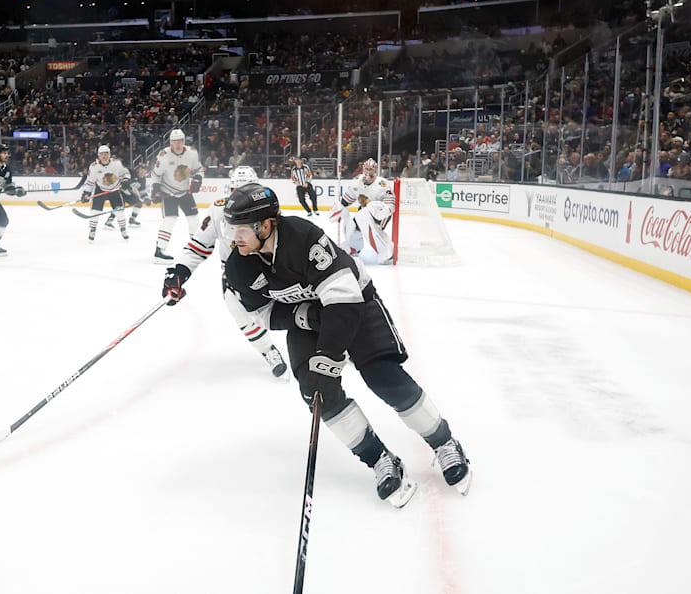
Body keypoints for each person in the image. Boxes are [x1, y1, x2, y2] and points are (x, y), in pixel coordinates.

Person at [199, 183, 470, 507]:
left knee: (382, 376)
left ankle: (444, 443)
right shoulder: (238, 266)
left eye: (241, 229)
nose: (233, 237)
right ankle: (380, 459)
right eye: (231, 228)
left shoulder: (304, 238)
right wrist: (307, 318)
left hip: (353, 301)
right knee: (317, 393)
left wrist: (329, 354)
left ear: (266, 225)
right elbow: (262, 314)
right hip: (308, 321)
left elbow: (343, 299)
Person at [161, 165, 289, 380]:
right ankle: (269, 351)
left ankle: (334, 341)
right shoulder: (218, 211)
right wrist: (179, 272)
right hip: (237, 277)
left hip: (271, 271)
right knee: (239, 312)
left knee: (302, 310)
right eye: (238, 193)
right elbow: (198, 246)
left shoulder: (269, 212)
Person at [150, 128, 204, 263]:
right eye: (174, 141)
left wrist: (198, 179)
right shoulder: (163, 155)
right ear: (170, 142)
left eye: (180, 141)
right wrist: (155, 189)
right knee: (170, 220)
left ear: (184, 141)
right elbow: (156, 175)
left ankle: (195, 247)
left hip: (185, 191)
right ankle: (159, 251)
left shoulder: (192, 153)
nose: (177, 144)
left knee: (193, 219)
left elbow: (198, 169)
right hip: (168, 192)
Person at [329, 158, 395, 263]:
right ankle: (353, 247)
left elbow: (390, 205)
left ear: (376, 170)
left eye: (371, 169)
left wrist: (382, 213)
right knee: (351, 225)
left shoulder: (382, 184)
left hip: (380, 213)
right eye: (366, 169)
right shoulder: (357, 181)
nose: (368, 172)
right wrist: (339, 208)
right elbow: (347, 200)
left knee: (367, 223)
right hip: (364, 212)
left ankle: (386, 251)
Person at [83, 144, 133, 243]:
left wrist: (125, 181)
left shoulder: (117, 163)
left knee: (119, 212)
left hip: (114, 190)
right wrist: (85, 193)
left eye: (106, 154)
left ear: (109, 154)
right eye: (102, 154)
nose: (104, 156)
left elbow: (126, 173)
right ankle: (92, 231)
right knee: (95, 212)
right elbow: (90, 182)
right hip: (100, 190)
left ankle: (123, 230)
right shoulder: (94, 167)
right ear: (98, 155)